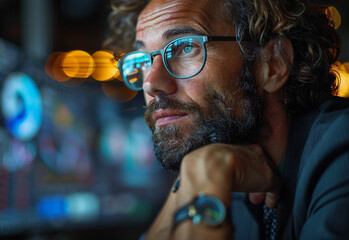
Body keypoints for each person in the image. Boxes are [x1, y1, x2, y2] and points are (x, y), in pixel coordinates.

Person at [105, 0, 349, 239]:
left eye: (186, 47)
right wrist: (201, 171)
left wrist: (204, 169)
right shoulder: (227, 175)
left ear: (273, 64)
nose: (151, 84)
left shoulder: (341, 145)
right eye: (143, 60)